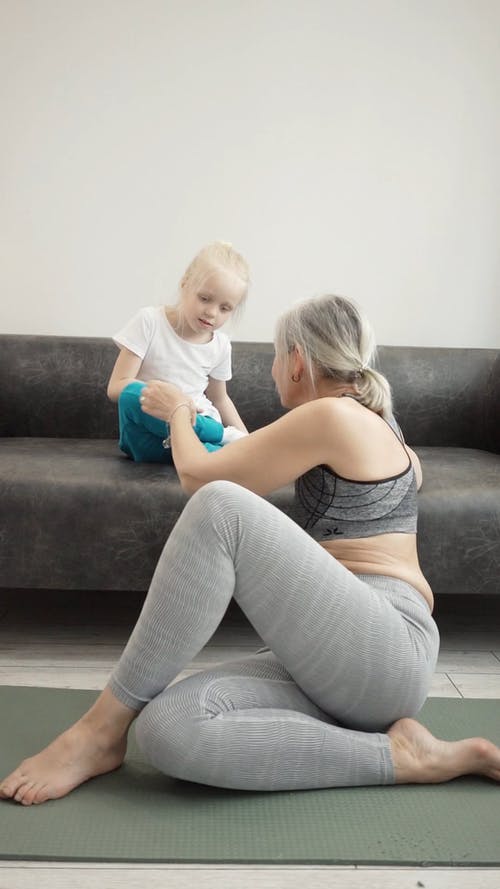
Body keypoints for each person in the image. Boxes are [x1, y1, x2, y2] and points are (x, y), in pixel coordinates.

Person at [2, 294, 500, 806]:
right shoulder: (379, 425)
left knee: (221, 507)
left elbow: (199, 478)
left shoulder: (332, 415)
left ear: (300, 360)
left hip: (386, 650)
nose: (272, 368)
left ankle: (98, 730)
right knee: (167, 729)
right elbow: (406, 473)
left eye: (277, 356)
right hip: (340, 658)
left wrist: (178, 411)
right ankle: (400, 756)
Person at [107, 241, 250, 462]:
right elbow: (117, 386)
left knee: (208, 452)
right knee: (129, 395)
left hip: (196, 428)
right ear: (185, 284)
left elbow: (220, 399)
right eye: (205, 298)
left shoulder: (220, 345)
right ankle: (219, 442)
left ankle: (218, 452)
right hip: (148, 430)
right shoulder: (149, 321)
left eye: (225, 308)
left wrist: (248, 441)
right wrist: (175, 402)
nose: (212, 312)